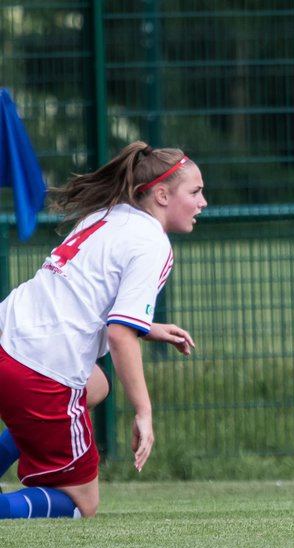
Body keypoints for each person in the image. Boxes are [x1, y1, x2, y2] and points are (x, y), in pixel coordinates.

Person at [0, 141, 205, 519]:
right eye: (195, 192)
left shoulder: (108, 215)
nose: (202, 202)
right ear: (162, 195)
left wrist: (150, 327)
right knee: (83, 503)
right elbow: (119, 334)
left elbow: (87, 296)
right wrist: (143, 410)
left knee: (96, 385)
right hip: (39, 367)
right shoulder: (152, 244)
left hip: (7, 335)